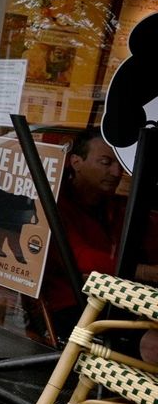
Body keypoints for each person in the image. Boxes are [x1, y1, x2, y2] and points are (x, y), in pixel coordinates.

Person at [40, 127, 158, 363]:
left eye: (120, 164)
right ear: (76, 162)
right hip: (72, 305)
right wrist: (145, 271)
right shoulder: (54, 203)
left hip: (118, 299)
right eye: (105, 162)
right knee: (154, 344)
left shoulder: (117, 206)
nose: (116, 172)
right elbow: (80, 259)